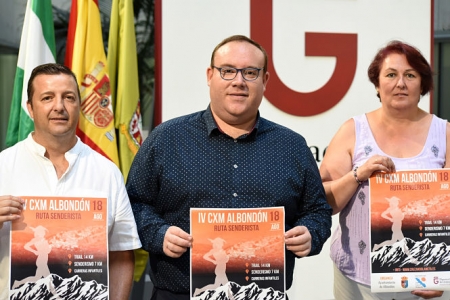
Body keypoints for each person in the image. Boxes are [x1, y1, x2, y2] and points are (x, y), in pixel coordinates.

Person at [126, 34, 332, 299]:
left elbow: (317, 210)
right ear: (210, 76)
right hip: (178, 291)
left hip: (263, 291)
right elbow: (133, 203)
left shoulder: (291, 146)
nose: (238, 81)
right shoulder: (166, 139)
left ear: (264, 80)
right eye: (227, 71)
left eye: (250, 72)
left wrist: (310, 234)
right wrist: (158, 233)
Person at [320, 40, 450, 299]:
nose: (400, 83)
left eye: (410, 75)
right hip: (355, 277)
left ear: (422, 84)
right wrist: (357, 175)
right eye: (391, 75)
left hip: (423, 279)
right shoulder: (352, 131)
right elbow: (323, 201)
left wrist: (443, 270)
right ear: (377, 85)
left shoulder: (444, 133)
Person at [0, 63, 141, 300]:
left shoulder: (107, 172)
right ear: (30, 109)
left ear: (79, 106)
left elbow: (121, 255)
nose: (59, 106)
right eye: (47, 98)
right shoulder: (3, 167)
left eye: (69, 97)